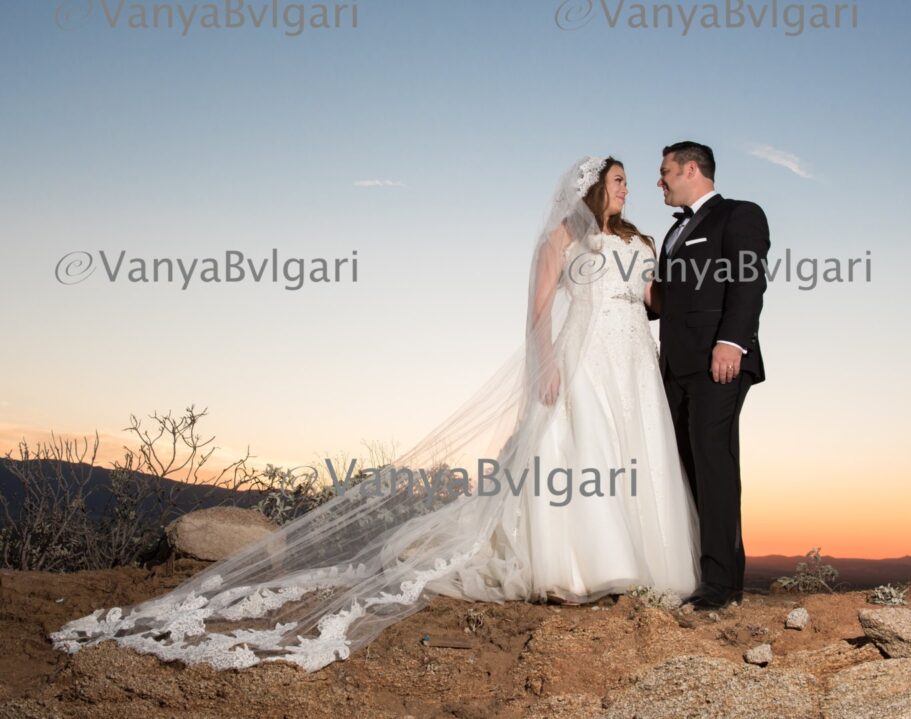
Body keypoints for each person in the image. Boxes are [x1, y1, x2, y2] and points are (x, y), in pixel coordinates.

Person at [50, 156, 700, 672]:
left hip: (631, 359)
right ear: (593, 188)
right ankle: (578, 568)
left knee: (631, 451)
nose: (628, 189)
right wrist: (546, 364)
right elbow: (537, 310)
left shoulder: (639, 239)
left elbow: (651, 298)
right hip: (581, 358)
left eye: (630, 181)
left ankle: (642, 565)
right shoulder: (562, 238)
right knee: (582, 450)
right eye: (619, 180)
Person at [649, 141, 770, 610]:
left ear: (691, 170)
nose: (659, 181)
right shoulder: (672, 233)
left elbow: (748, 280)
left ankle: (721, 587)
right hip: (674, 366)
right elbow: (667, 302)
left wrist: (732, 342)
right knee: (688, 466)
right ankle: (703, 576)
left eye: (665, 172)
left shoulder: (739, 214)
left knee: (714, 462)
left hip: (720, 361)